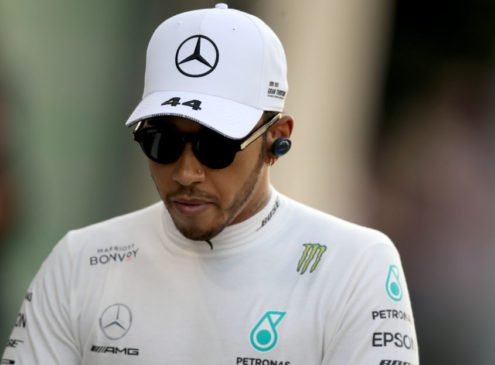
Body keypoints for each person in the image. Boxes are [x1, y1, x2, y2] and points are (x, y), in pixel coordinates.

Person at [2, 4, 418, 364]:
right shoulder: (81, 260)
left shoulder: (355, 266)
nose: (185, 173)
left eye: (215, 146)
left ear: (277, 139)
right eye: (160, 142)